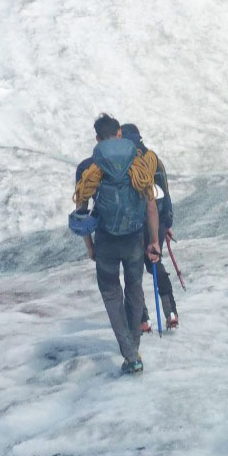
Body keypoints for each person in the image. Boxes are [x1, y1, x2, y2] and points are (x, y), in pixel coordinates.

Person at [74, 113, 160, 374]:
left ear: (98, 138)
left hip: (106, 242)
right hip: (134, 239)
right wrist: (153, 240)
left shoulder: (89, 168)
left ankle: (131, 355)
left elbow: (81, 213)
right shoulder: (140, 165)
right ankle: (133, 345)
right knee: (134, 290)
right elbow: (151, 206)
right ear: (120, 133)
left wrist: (90, 246)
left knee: (112, 295)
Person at [120, 123, 179, 330]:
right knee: (155, 263)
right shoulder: (154, 159)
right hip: (158, 222)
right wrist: (167, 222)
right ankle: (170, 313)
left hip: (133, 225)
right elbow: (165, 191)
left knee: (133, 270)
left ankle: (142, 319)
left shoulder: (124, 161)